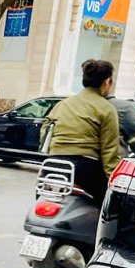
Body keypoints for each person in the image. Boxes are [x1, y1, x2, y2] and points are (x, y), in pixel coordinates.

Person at [47, 59, 120, 201]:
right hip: (85, 170)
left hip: (52, 167)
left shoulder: (63, 104)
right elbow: (110, 153)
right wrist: (115, 183)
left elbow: (45, 132)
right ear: (106, 82)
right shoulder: (107, 108)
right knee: (107, 208)